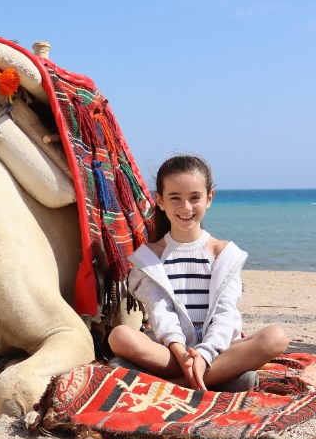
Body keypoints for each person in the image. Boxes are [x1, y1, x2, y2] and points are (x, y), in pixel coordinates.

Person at [108, 154, 288, 391]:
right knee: (120, 336)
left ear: (209, 197)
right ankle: (221, 379)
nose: (186, 207)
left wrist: (204, 355)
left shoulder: (224, 253)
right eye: (175, 198)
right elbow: (161, 312)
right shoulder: (149, 257)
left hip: (219, 350)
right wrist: (182, 353)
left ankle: (175, 384)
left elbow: (226, 313)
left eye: (195, 198)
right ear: (160, 201)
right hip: (170, 351)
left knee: (276, 337)